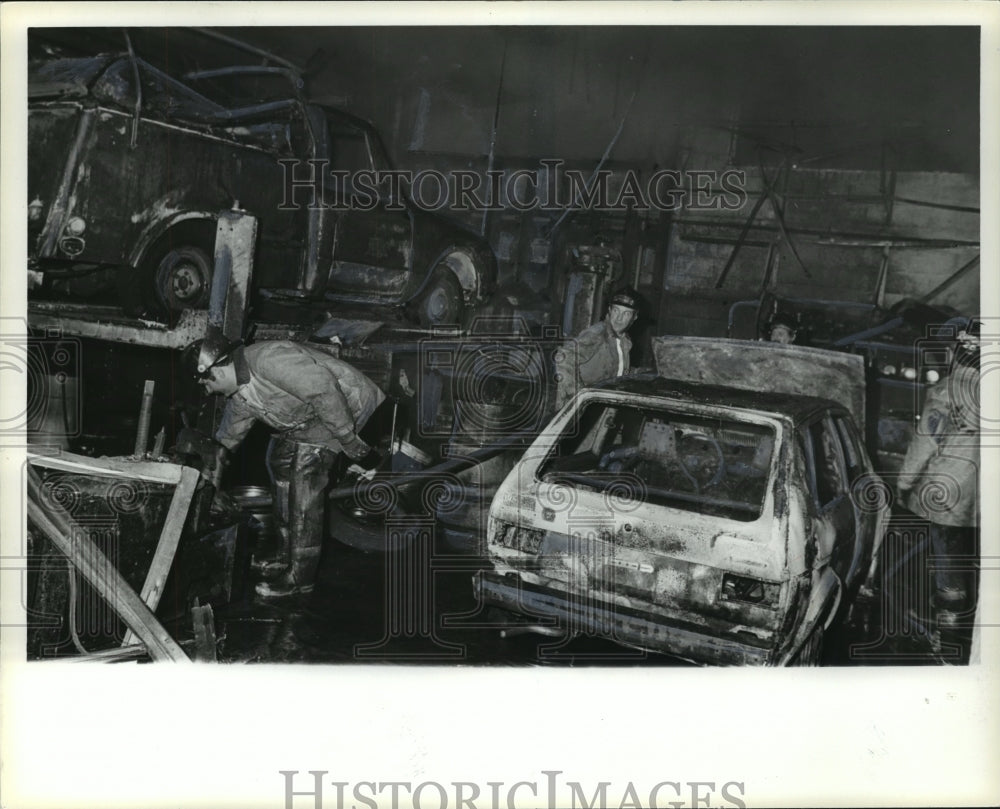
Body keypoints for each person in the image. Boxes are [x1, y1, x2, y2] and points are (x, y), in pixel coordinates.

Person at [188, 332, 386, 599]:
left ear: (215, 370)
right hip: (313, 418)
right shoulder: (241, 394)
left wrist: (348, 440)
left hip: (349, 408)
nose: (208, 391)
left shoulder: (267, 359)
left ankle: (300, 577)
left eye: (205, 384)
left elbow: (323, 388)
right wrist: (210, 466)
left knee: (307, 468)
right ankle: (285, 555)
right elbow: (229, 436)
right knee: (278, 459)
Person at [897, 317, 980, 655]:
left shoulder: (946, 391)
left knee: (949, 573)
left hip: (949, 498)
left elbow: (925, 443)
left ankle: (949, 647)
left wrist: (903, 483)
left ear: (955, 353)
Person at [553, 287, 639, 409]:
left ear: (634, 317)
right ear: (609, 310)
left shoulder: (624, 341)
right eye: (616, 310)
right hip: (583, 412)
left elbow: (616, 371)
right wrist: (580, 398)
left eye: (626, 313)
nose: (619, 318)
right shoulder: (598, 333)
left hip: (604, 408)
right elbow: (563, 357)